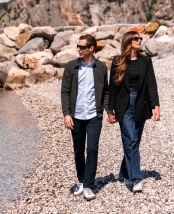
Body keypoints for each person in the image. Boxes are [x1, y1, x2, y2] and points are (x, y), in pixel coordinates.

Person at [107, 30, 160, 193]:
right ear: (128, 42)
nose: (140, 41)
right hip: (123, 105)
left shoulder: (146, 61)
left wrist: (156, 106)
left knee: (134, 141)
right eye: (136, 39)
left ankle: (124, 172)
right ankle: (136, 178)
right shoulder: (117, 61)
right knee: (130, 140)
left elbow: (151, 83)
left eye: (140, 38)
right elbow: (112, 87)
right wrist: (110, 110)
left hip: (141, 104)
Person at [61, 34, 108, 201]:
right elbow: (65, 92)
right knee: (78, 150)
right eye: (78, 46)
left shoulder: (101, 67)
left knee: (92, 149)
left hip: (95, 116)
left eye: (82, 47)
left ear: (91, 49)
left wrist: (108, 110)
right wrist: (66, 114)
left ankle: (88, 185)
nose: (78, 49)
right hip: (76, 116)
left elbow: (106, 92)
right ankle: (81, 180)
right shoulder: (71, 67)